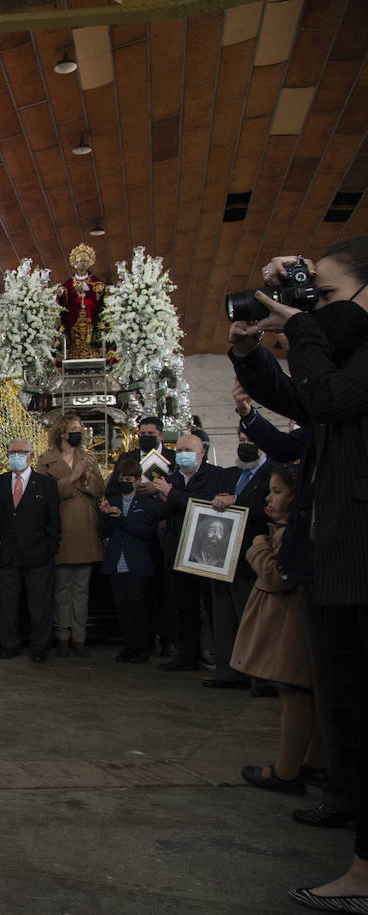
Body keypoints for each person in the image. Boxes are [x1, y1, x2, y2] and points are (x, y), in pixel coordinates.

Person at [225, 243, 368, 908]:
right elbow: (301, 401)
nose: (316, 312)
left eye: (329, 297)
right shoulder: (333, 357)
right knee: (342, 699)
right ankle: (347, 808)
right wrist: (251, 352)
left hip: (352, 551)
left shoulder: (345, 363)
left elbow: (326, 397)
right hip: (335, 553)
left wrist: (302, 323)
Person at [230, 464, 322, 796]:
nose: (269, 498)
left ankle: (286, 771)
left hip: (290, 624)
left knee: (294, 692)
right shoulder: (285, 528)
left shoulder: (288, 534)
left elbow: (277, 577)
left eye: (277, 492)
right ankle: (313, 761)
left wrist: (257, 547)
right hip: (291, 620)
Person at [147, 433, 227, 672]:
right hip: (177, 551)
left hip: (205, 553)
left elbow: (203, 503)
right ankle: (187, 656)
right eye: (179, 450)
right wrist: (166, 496)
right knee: (183, 607)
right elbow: (157, 511)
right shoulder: (171, 478)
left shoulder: (215, 476)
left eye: (188, 450)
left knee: (211, 607)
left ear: (202, 453)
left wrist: (171, 495)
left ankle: (219, 656)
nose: (182, 454)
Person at [204, 432, 273, 690]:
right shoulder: (230, 474)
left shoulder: (272, 473)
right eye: (242, 439)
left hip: (253, 557)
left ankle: (260, 678)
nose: (246, 445)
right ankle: (229, 673)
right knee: (224, 618)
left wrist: (236, 503)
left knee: (252, 619)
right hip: (222, 557)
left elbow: (269, 510)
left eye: (251, 440)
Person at [0, 438, 61, 662]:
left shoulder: (46, 484)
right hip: (6, 553)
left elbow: (54, 522)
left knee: (39, 604)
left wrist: (50, 549)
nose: (17, 456)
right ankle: (9, 643)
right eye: (12, 452)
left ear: (31, 455)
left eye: (22, 452)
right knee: (6, 604)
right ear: (7, 455)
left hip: (38, 555)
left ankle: (40, 645)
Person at [37, 414, 104, 657]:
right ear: (62, 432)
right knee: (62, 588)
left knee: (82, 589)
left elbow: (99, 490)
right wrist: (73, 476)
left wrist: (86, 475)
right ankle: (62, 636)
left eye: (79, 428)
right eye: (73, 428)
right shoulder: (46, 460)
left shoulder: (87, 458)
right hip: (61, 528)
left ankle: (80, 636)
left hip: (86, 528)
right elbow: (42, 493)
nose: (78, 432)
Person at [99, 458, 165, 663]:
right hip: (116, 562)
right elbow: (103, 531)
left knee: (138, 605)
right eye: (122, 478)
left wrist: (121, 518)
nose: (125, 481)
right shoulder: (114, 499)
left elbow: (147, 532)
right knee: (121, 606)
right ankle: (128, 646)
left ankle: (142, 647)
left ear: (137, 480)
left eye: (129, 479)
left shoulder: (147, 503)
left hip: (138, 563)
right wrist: (105, 515)